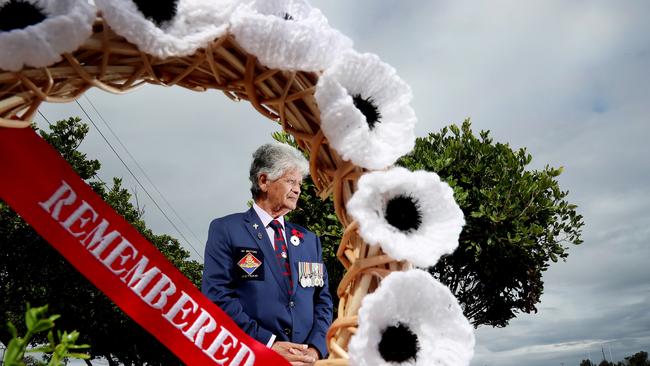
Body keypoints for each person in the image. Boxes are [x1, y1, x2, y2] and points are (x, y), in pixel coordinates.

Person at [202, 143, 333, 365]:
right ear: (264, 181)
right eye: (291, 181)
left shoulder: (309, 240)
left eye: (299, 183)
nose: (298, 189)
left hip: (305, 360)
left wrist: (315, 348)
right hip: (252, 356)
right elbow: (217, 296)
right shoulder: (227, 229)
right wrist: (268, 342)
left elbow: (323, 300)